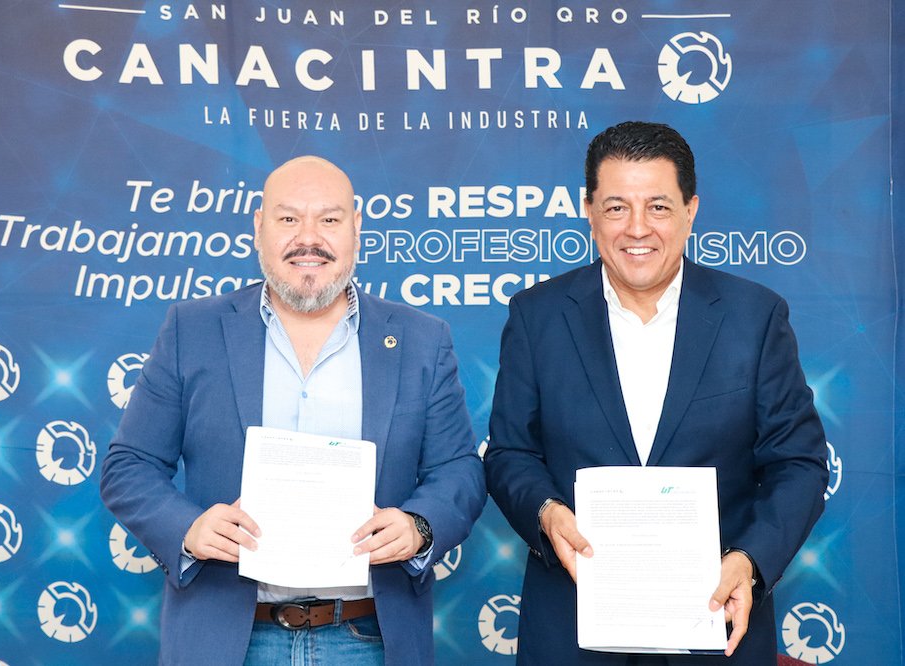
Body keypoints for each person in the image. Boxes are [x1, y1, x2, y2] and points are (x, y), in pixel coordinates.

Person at [101, 156, 485, 665]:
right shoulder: (191, 330)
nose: (309, 238)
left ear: (356, 228)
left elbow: (458, 470)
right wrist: (188, 529)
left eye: (329, 219)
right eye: (288, 218)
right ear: (258, 227)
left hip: (370, 637)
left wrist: (419, 526)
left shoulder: (422, 339)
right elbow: (129, 465)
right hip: (226, 641)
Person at [484, 121, 827, 665]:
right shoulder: (536, 316)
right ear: (589, 211)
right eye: (616, 207)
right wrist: (546, 512)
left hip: (715, 624)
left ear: (691, 210)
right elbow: (510, 452)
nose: (637, 228)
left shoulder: (755, 318)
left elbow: (799, 463)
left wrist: (749, 560)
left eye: (659, 207)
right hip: (572, 627)